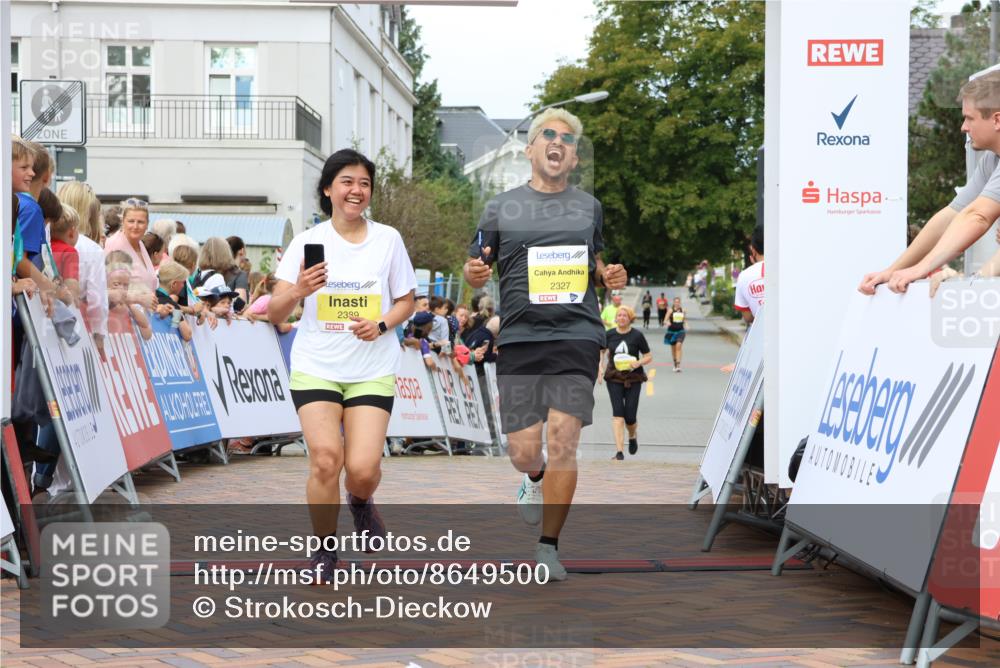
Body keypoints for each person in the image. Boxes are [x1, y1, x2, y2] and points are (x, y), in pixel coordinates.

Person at [463, 107, 627, 580]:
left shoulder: (588, 207)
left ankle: (549, 548)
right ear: (531, 148)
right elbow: (477, 265)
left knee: (564, 441)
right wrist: (474, 271)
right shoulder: (500, 206)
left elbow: (600, 266)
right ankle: (532, 478)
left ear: (574, 157)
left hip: (577, 335)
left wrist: (611, 274)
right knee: (523, 451)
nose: (558, 143)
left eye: (568, 139)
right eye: (548, 135)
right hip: (519, 338)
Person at [269, 148, 417, 580]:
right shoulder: (307, 243)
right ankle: (324, 551)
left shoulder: (387, 239)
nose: (356, 190)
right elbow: (275, 313)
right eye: (348, 182)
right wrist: (297, 289)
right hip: (316, 364)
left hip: (371, 367)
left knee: (363, 469)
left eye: (365, 183)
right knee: (325, 459)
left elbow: (407, 300)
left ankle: (360, 501)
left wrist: (383, 323)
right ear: (328, 189)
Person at [859, 70, 1000, 295]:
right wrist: (895, 269)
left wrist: (921, 269)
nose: (964, 127)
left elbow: (978, 216)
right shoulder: (992, 160)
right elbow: (953, 215)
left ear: (997, 120)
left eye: (969, 118)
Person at [599, 305, 652, 460]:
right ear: (616, 318)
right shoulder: (609, 335)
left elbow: (649, 356)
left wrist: (639, 362)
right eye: (619, 315)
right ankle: (619, 451)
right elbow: (600, 352)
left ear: (630, 319)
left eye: (624, 316)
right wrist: (600, 368)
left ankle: (632, 435)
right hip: (614, 377)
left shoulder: (637, 336)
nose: (621, 318)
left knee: (630, 416)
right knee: (618, 414)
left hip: (633, 378)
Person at [58, 181, 109, 342]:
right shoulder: (92, 250)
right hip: (76, 329)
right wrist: (99, 333)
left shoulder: (45, 238)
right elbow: (97, 301)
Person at [103, 197, 159, 297]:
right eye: (131, 221)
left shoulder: (140, 244)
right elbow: (110, 289)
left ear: (147, 225)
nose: (135, 226)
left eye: (140, 222)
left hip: (146, 311)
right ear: (123, 221)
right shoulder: (115, 244)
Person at [734, 226, 764, 325]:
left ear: (753, 250)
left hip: (761, 335)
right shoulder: (788, 269)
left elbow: (747, 317)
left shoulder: (744, 276)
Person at [665, 296, 686, 372]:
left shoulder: (683, 310)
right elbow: (665, 320)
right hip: (672, 331)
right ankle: (675, 362)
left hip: (681, 331)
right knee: (673, 348)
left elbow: (684, 320)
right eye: (676, 302)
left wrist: (686, 324)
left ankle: (678, 364)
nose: (677, 303)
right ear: (674, 303)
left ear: (680, 303)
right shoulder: (670, 310)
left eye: (678, 302)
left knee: (678, 346)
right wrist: (667, 322)